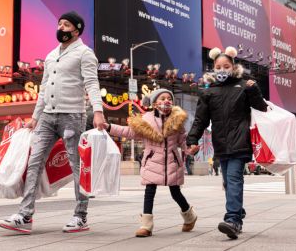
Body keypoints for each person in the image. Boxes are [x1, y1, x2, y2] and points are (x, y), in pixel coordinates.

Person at [0, 11, 105, 234]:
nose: (61, 28)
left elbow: (92, 84)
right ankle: (25, 215)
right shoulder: (51, 55)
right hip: (47, 116)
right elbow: (44, 89)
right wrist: (35, 117)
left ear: (77, 29)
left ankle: (80, 216)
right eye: (59, 24)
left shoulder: (85, 53)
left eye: (66, 25)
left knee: (77, 167)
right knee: (34, 162)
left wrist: (98, 111)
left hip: (72, 116)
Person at [186, 46, 267, 240]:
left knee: (233, 180)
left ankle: (233, 220)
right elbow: (200, 120)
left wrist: (253, 89)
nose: (222, 69)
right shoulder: (209, 93)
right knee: (227, 183)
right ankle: (237, 211)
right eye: (218, 66)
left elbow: (261, 108)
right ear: (213, 67)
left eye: (226, 66)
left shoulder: (243, 85)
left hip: (240, 143)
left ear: (233, 66)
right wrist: (192, 139)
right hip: (221, 146)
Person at [105, 88, 197, 237]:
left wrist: (191, 150)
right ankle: (146, 225)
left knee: (176, 193)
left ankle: (190, 217)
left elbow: (182, 141)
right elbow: (129, 132)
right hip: (152, 161)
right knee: (149, 191)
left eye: (169, 98)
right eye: (162, 99)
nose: (166, 101)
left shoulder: (177, 121)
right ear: (154, 103)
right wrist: (109, 127)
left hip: (172, 162)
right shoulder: (146, 121)